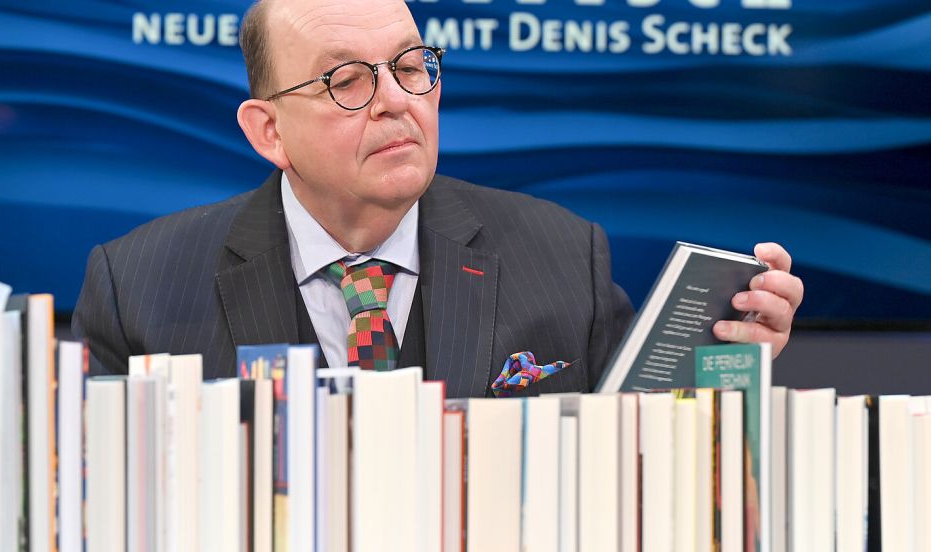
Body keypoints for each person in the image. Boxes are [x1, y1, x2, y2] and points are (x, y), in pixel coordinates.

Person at [72, 0, 804, 397]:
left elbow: (640, 458)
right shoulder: (138, 286)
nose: (397, 101)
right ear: (269, 131)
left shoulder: (562, 254)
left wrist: (726, 369)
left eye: (411, 64)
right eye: (346, 80)